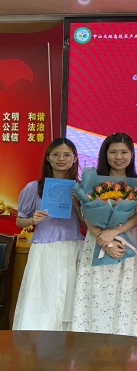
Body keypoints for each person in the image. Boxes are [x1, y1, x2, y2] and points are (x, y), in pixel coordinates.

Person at [71, 133, 137, 337]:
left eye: (124, 152)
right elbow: (86, 213)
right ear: (105, 154)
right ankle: (90, 341)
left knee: (125, 293)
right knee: (95, 292)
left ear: (132, 154)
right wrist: (104, 239)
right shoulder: (92, 181)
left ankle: (124, 341)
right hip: (96, 242)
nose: (118, 157)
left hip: (127, 243)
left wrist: (114, 232)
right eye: (113, 152)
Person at [13, 138, 83, 330]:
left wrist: (77, 205)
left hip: (72, 248)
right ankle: (38, 342)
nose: (61, 158)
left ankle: (68, 342)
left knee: (69, 299)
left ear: (74, 159)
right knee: (42, 299)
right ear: (48, 158)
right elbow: (20, 221)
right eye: (56, 154)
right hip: (44, 251)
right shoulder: (33, 188)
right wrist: (32, 220)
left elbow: (88, 223)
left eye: (67, 155)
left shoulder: (81, 189)